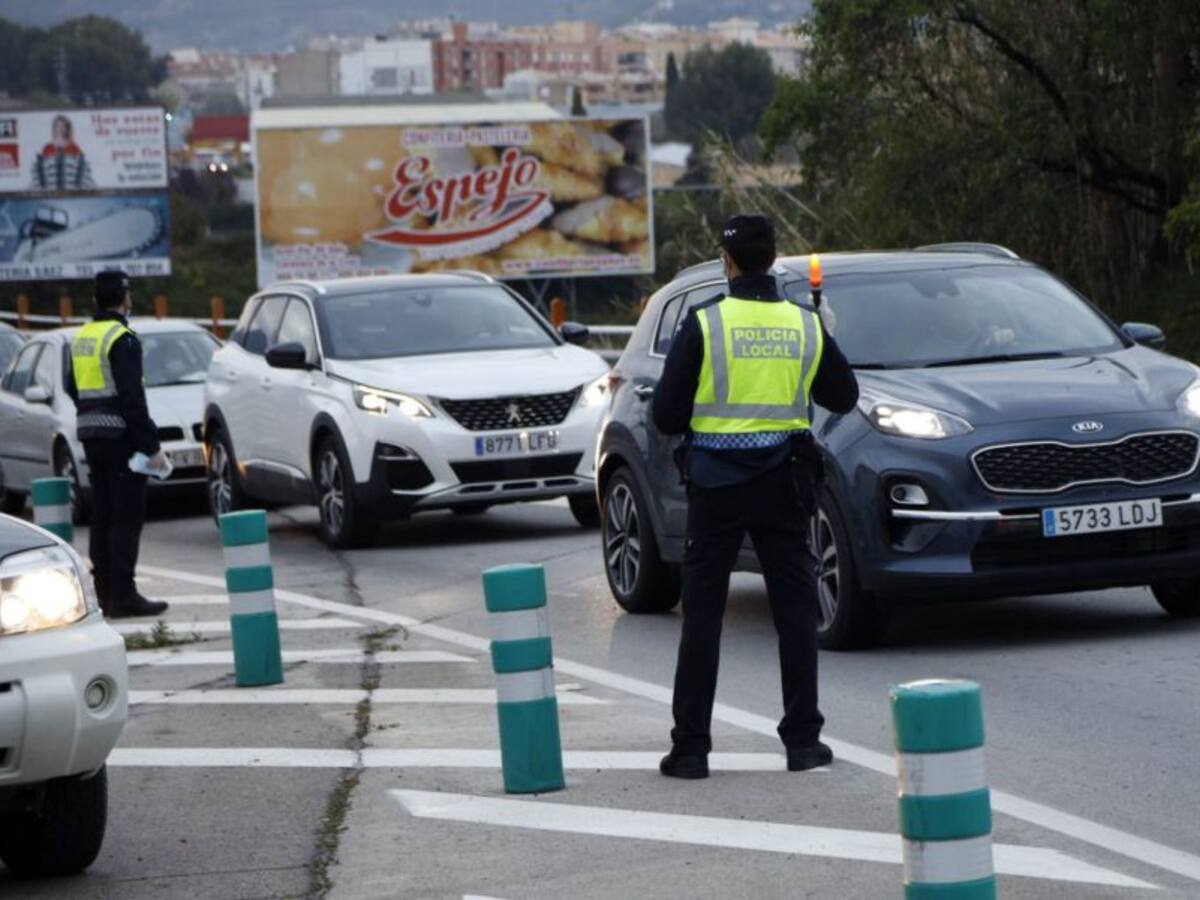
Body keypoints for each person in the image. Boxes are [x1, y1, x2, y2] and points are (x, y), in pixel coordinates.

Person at [652, 215, 859, 779]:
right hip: (784, 484)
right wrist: (826, 337)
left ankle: (691, 749)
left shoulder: (705, 324)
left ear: (727, 262)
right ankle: (803, 742)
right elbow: (842, 396)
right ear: (772, 261)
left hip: (717, 488)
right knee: (795, 613)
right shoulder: (804, 324)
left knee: (702, 617)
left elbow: (666, 415)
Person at [66, 271, 168, 618]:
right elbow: (132, 399)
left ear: (96, 299)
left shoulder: (83, 336)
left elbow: (71, 384)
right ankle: (124, 595)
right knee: (126, 518)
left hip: (91, 437)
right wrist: (151, 446)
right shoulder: (122, 338)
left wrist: (91, 410)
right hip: (121, 439)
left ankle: (105, 594)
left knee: (103, 515)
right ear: (125, 298)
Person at [30, 115, 95, 191]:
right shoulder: (48, 147)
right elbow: (41, 170)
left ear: (67, 128)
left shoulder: (74, 147)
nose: (60, 128)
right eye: (58, 126)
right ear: (54, 128)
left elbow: (82, 170)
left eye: (63, 126)